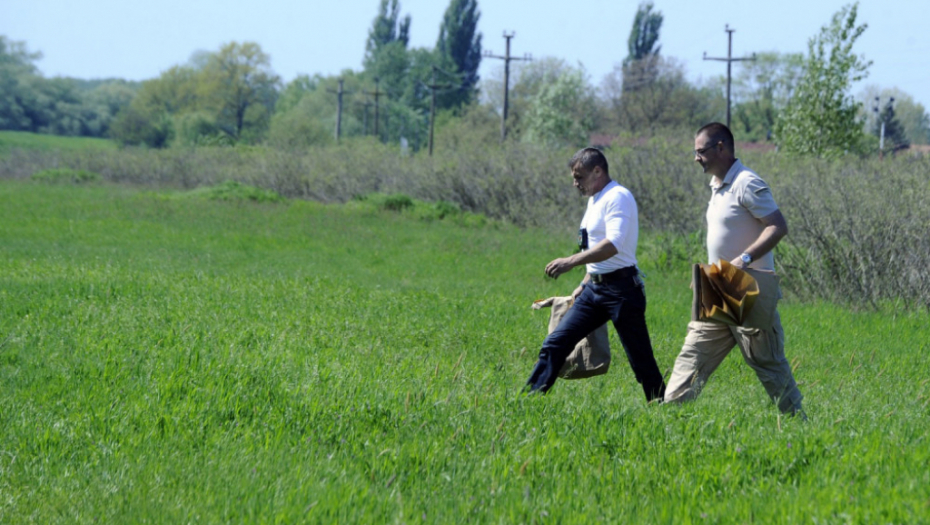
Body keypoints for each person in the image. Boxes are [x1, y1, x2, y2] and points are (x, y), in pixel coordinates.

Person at [664, 122, 805, 415]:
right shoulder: (717, 186)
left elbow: (778, 226)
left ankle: (798, 425)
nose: (695, 157)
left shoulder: (746, 182)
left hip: (748, 287)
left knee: (767, 363)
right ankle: (670, 418)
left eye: (700, 151)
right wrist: (710, 273)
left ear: (720, 148)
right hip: (718, 286)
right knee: (692, 357)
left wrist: (744, 260)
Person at [525, 148, 666, 402]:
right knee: (555, 344)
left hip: (623, 291)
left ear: (597, 171)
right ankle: (527, 400)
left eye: (579, 177)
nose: (575, 183)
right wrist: (585, 281)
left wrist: (571, 261)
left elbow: (613, 245)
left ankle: (663, 407)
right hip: (594, 291)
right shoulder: (595, 199)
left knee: (640, 361)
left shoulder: (618, 197)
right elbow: (595, 245)